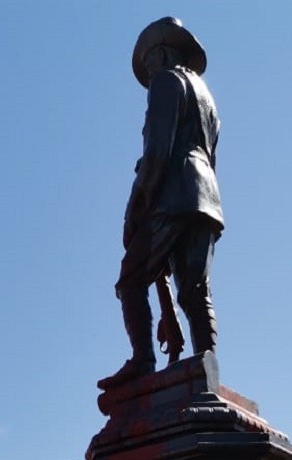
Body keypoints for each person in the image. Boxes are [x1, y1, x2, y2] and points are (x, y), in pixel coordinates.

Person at [98, 17, 223, 391]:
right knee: (195, 289)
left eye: (149, 62)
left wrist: (137, 207)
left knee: (130, 279)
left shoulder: (168, 81)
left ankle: (143, 361)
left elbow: (157, 153)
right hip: (206, 197)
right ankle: (207, 367)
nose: (149, 74)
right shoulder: (208, 97)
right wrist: (167, 311)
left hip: (173, 191)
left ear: (164, 54)